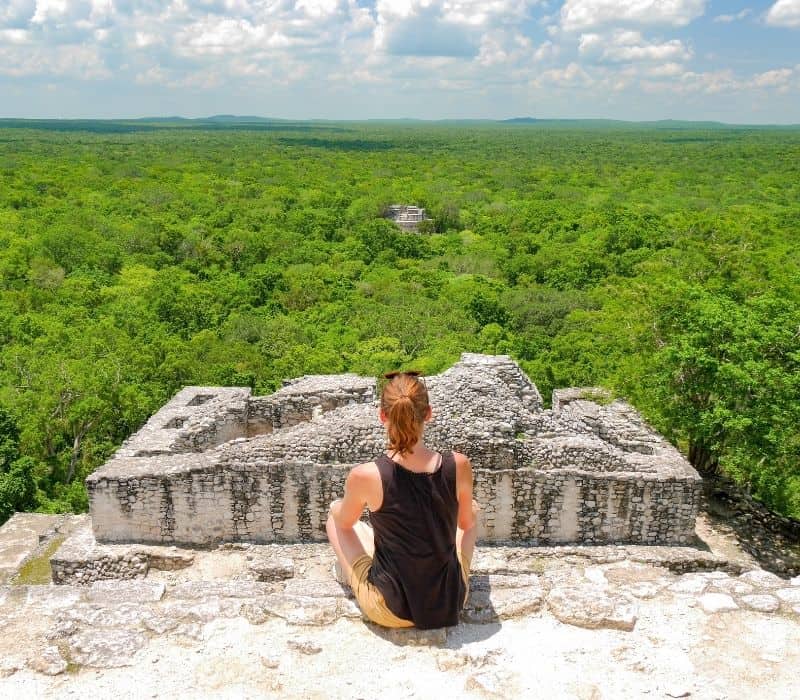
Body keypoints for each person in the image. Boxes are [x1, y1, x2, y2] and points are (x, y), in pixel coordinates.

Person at [326, 370, 478, 630]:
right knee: (471, 511)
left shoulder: (366, 475)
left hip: (390, 610)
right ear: (428, 413)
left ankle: (353, 578)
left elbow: (344, 521)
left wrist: (336, 506)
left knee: (335, 519)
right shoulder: (459, 465)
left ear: (383, 415)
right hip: (450, 601)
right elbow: (465, 525)